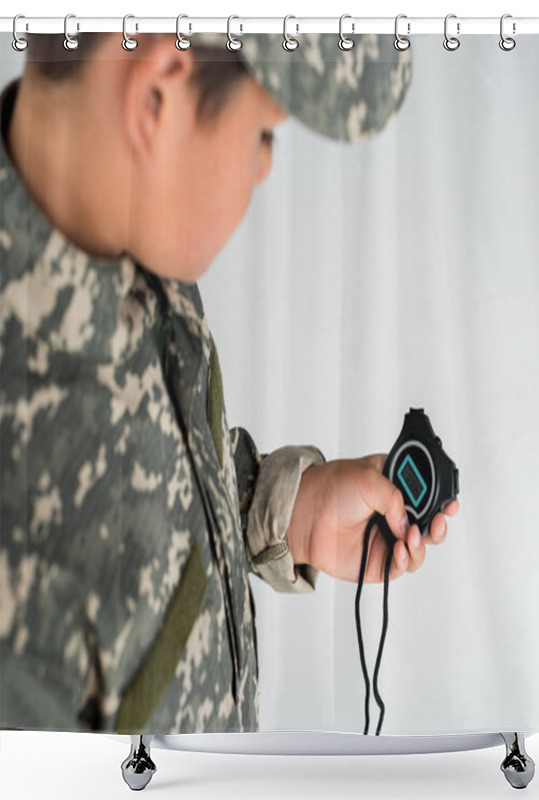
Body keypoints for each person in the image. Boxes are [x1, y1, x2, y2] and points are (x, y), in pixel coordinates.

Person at [0, 30, 459, 734]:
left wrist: (289, 511)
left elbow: (155, 470)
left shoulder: (116, 231)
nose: (265, 166)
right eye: (265, 135)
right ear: (155, 97)